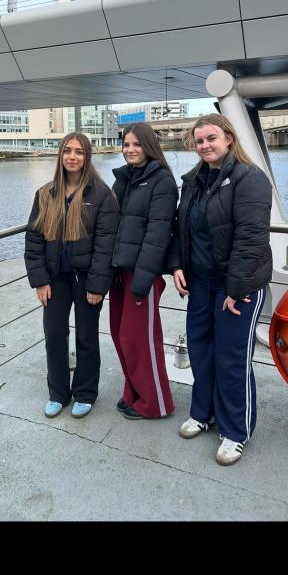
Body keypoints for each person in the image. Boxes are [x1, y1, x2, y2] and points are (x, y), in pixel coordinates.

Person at [168, 113, 272, 465]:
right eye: (199, 141)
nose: (204, 145)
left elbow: (251, 237)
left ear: (229, 138)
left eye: (211, 138)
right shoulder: (194, 180)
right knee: (200, 351)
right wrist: (178, 265)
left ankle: (235, 431)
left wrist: (237, 286)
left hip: (236, 287)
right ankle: (203, 413)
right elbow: (181, 228)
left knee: (231, 359)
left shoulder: (250, 178)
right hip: (200, 284)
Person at [24, 132, 119, 418]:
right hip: (55, 279)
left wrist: (97, 285)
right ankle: (58, 393)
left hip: (87, 279)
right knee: (54, 334)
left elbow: (106, 245)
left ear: (87, 157)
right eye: (67, 151)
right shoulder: (45, 193)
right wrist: (39, 279)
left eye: (79, 151)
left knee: (87, 337)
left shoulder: (102, 195)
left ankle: (86, 392)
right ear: (60, 155)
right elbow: (34, 240)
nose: (72, 157)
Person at [110, 122, 178, 420]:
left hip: (141, 274)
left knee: (139, 339)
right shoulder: (125, 179)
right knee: (119, 336)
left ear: (148, 146)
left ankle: (155, 403)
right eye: (126, 144)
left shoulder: (161, 180)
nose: (130, 150)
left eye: (136, 144)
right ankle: (133, 392)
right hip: (118, 272)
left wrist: (143, 279)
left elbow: (158, 234)